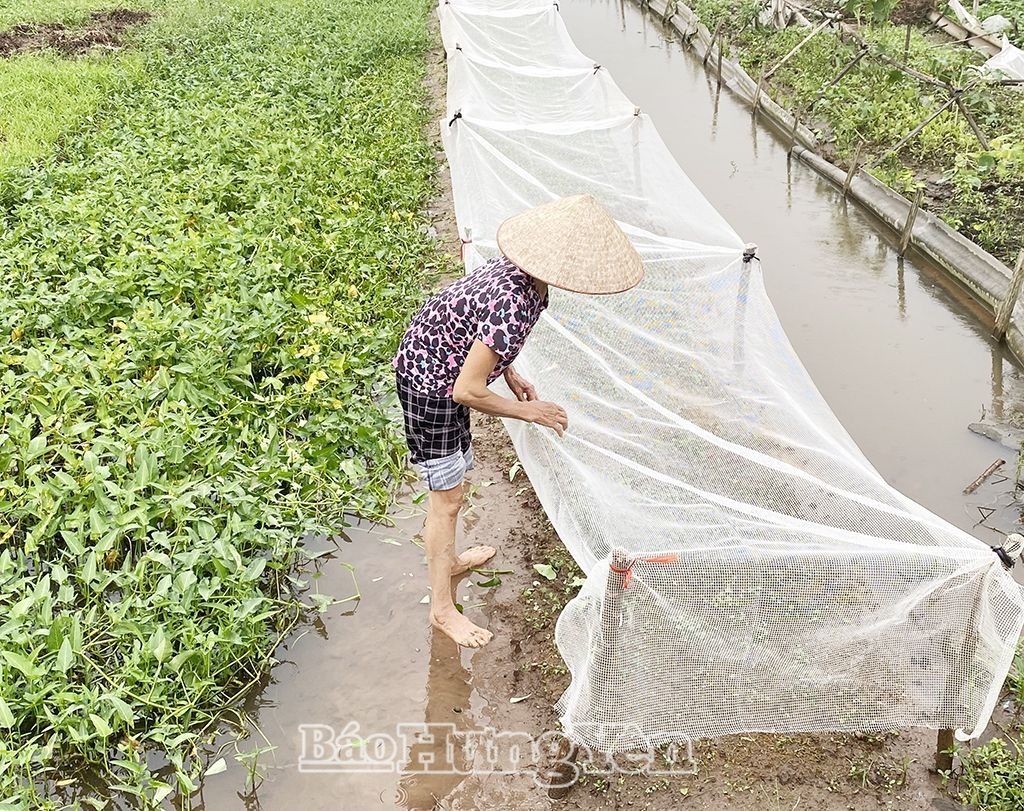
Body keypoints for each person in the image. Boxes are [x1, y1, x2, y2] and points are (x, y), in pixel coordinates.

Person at [393, 194, 644, 647]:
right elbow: (466, 391)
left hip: (444, 364)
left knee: (455, 479)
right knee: (446, 499)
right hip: (428, 381)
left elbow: (474, 329)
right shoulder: (514, 300)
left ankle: (449, 562)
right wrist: (529, 411)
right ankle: (442, 610)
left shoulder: (528, 280)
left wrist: (509, 372)